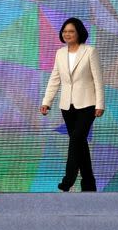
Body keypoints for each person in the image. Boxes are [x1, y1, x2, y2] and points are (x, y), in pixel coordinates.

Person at [40, 17, 105, 192]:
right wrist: (47, 101)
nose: (67, 34)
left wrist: (100, 104)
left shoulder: (90, 51)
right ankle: (89, 184)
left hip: (88, 104)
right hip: (67, 106)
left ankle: (68, 180)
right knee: (80, 143)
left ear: (79, 33)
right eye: (65, 31)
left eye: (71, 31)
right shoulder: (60, 53)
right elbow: (55, 78)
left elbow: (98, 80)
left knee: (76, 139)